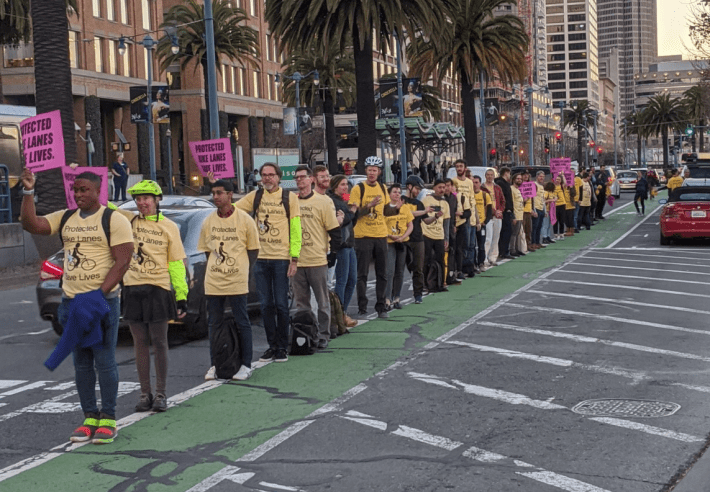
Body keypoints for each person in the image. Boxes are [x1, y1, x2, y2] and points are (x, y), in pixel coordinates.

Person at [20, 169, 133, 444]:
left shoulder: (114, 219)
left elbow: (123, 262)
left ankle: (108, 418)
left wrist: (98, 294)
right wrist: (27, 191)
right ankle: (89, 417)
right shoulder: (66, 217)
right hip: (71, 301)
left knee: (104, 361)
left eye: (84, 190)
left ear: (98, 191)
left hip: (101, 302)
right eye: (76, 190)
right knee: (81, 363)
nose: (79, 194)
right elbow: (31, 224)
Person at [113, 180, 188, 412]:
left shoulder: (169, 227)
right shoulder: (128, 220)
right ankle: (145, 393)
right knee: (139, 343)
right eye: (138, 198)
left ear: (157, 200)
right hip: (133, 288)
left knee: (160, 341)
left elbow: (176, 263)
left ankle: (161, 394)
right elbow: (105, 207)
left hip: (159, 288)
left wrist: (181, 294)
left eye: (146, 198)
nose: (141, 202)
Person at [236, 162, 301, 363]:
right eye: (264, 175)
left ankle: (282, 346)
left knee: (281, 304)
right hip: (260, 259)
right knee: (266, 305)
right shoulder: (255, 196)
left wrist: (294, 258)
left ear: (279, 177)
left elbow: (296, 229)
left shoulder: (289, 198)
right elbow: (233, 210)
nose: (267, 178)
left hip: (281, 259)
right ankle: (271, 346)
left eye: (271, 175)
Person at [199, 179, 260, 380]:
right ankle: (215, 364)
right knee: (214, 323)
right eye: (213, 193)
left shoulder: (244, 220)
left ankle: (245, 364)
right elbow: (208, 251)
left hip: (236, 280)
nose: (215, 196)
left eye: (219, 193)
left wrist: (243, 270)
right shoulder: (208, 221)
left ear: (230, 194)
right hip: (214, 281)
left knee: (242, 321)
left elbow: (253, 250)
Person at [292, 166, 342, 346]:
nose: (299, 181)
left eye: (303, 177)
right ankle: (306, 333)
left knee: (322, 301)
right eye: (297, 178)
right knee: (301, 303)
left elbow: (334, 230)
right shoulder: (292, 201)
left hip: (317, 258)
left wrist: (333, 253)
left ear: (311, 179)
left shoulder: (322, 202)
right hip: (297, 261)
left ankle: (323, 334)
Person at [348, 156, 395, 318]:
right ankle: (362, 306)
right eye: (369, 170)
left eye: (374, 170)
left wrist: (398, 208)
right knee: (362, 274)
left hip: (381, 235)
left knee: (382, 273)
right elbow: (354, 214)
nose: (372, 173)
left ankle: (381, 306)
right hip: (363, 236)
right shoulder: (358, 189)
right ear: (365, 171)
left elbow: (386, 211)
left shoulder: (382, 188)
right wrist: (369, 206)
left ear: (379, 172)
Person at [328, 175, 358, 327]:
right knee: (342, 280)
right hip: (341, 243)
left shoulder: (344, 198)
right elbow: (339, 221)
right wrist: (350, 213)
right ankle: (338, 315)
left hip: (350, 242)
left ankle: (343, 312)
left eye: (347, 184)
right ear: (334, 187)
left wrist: (352, 211)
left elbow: (352, 209)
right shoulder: (332, 200)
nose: (345, 187)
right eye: (342, 185)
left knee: (352, 279)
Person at [402, 175, 434, 304]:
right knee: (398, 269)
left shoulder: (419, 203)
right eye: (416, 188)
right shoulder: (401, 200)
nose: (418, 191)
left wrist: (435, 216)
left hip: (417, 237)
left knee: (418, 268)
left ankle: (418, 293)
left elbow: (426, 220)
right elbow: (406, 214)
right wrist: (423, 212)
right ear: (409, 186)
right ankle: (394, 296)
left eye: (419, 189)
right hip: (402, 238)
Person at [384, 184, 413, 310]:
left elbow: (410, 225)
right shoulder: (385, 208)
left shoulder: (405, 207)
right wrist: (390, 235)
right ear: (389, 194)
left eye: (399, 192)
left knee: (399, 271)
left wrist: (402, 237)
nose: (397, 194)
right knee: (389, 271)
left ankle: (397, 297)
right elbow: (381, 225)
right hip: (390, 242)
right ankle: (387, 299)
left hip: (402, 241)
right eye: (394, 192)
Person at [421, 179, 450, 292]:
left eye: (443, 187)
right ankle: (425, 283)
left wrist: (446, 238)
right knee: (426, 259)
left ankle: (441, 283)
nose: (442, 190)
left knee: (441, 260)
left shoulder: (445, 203)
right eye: (439, 187)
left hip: (439, 235)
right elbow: (421, 217)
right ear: (434, 188)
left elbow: (446, 222)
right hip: (427, 234)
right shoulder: (426, 200)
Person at [482, 169, 503, 266]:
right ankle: (484, 258)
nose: (490, 177)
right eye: (488, 175)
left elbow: (503, 201)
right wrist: (494, 211)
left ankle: (493, 257)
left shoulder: (497, 188)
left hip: (498, 216)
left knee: (496, 238)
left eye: (492, 175)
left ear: (494, 176)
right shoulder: (482, 188)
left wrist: (500, 211)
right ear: (485, 176)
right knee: (488, 238)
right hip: (488, 216)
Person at [452, 180, 472, 281]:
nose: (450, 188)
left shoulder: (462, 197)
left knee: (459, 249)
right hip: (450, 226)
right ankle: (451, 271)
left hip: (460, 225)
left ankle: (459, 270)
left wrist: (461, 214)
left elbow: (468, 213)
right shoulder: (446, 198)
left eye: (452, 186)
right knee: (451, 249)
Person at [472, 175, 492, 268]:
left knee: (481, 245)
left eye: (476, 182)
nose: (474, 184)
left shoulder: (485, 195)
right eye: (473, 182)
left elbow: (489, 209)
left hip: (482, 223)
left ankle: (481, 262)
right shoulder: (470, 195)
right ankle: (473, 263)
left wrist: (485, 221)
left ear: (480, 183)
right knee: (471, 245)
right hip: (472, 223)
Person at [443, 178, 461, 285]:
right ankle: (444, 277)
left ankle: (451, 275)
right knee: (445, 252)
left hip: (451, 228)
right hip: (443, 229)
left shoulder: (453, 197)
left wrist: (454, 224)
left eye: (448, 185)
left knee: (452, 252)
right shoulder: (441, 198)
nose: (446, 188)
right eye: (445, 185)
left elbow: (453, 212)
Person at [495, 167, 515, 260]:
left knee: (506, 231)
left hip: (507, 210)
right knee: (505, 232)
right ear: (506, 173)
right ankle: (503, 251)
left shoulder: (504, 183)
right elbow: (504, 198)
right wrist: (506, 209)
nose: (509, 176)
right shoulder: (501, 184)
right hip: (504, 211)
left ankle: (504, 251)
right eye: (509, 173)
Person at [509, 173, 525, 257]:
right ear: (514, 179)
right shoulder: (511, 189)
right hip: (515, 215)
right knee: (514, 233)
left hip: (520, 215)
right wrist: (513, 216)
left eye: (520, 179)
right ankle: (512, 250)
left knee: (517, 233)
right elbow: (511, 203)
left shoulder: (518, 189)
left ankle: (517, 249)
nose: (519, 180)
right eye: (518, 178)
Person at [530, 171, 546, 249]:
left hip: (541, 208)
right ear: (537, 177)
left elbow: (543, 199)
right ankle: (533, 242)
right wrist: (534, 210)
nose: (541, 178)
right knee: (534, 227)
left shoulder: (542, 187)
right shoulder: (534, 185)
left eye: (543, 176)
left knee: (539, 227)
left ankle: (537, 242)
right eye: (540, 176)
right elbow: (532, 198)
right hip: (536, 208)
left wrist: (545, 210)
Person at [553, 174, 567, 240]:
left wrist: (562, 175)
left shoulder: (561, 186)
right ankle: (555, 234)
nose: (557, 180)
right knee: (555, 221)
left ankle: (561, 234)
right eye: (556, 179)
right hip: (555, 205)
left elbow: (565, 183)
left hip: (562, 205)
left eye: (559, 179)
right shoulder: (553, 186)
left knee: (562, 221)